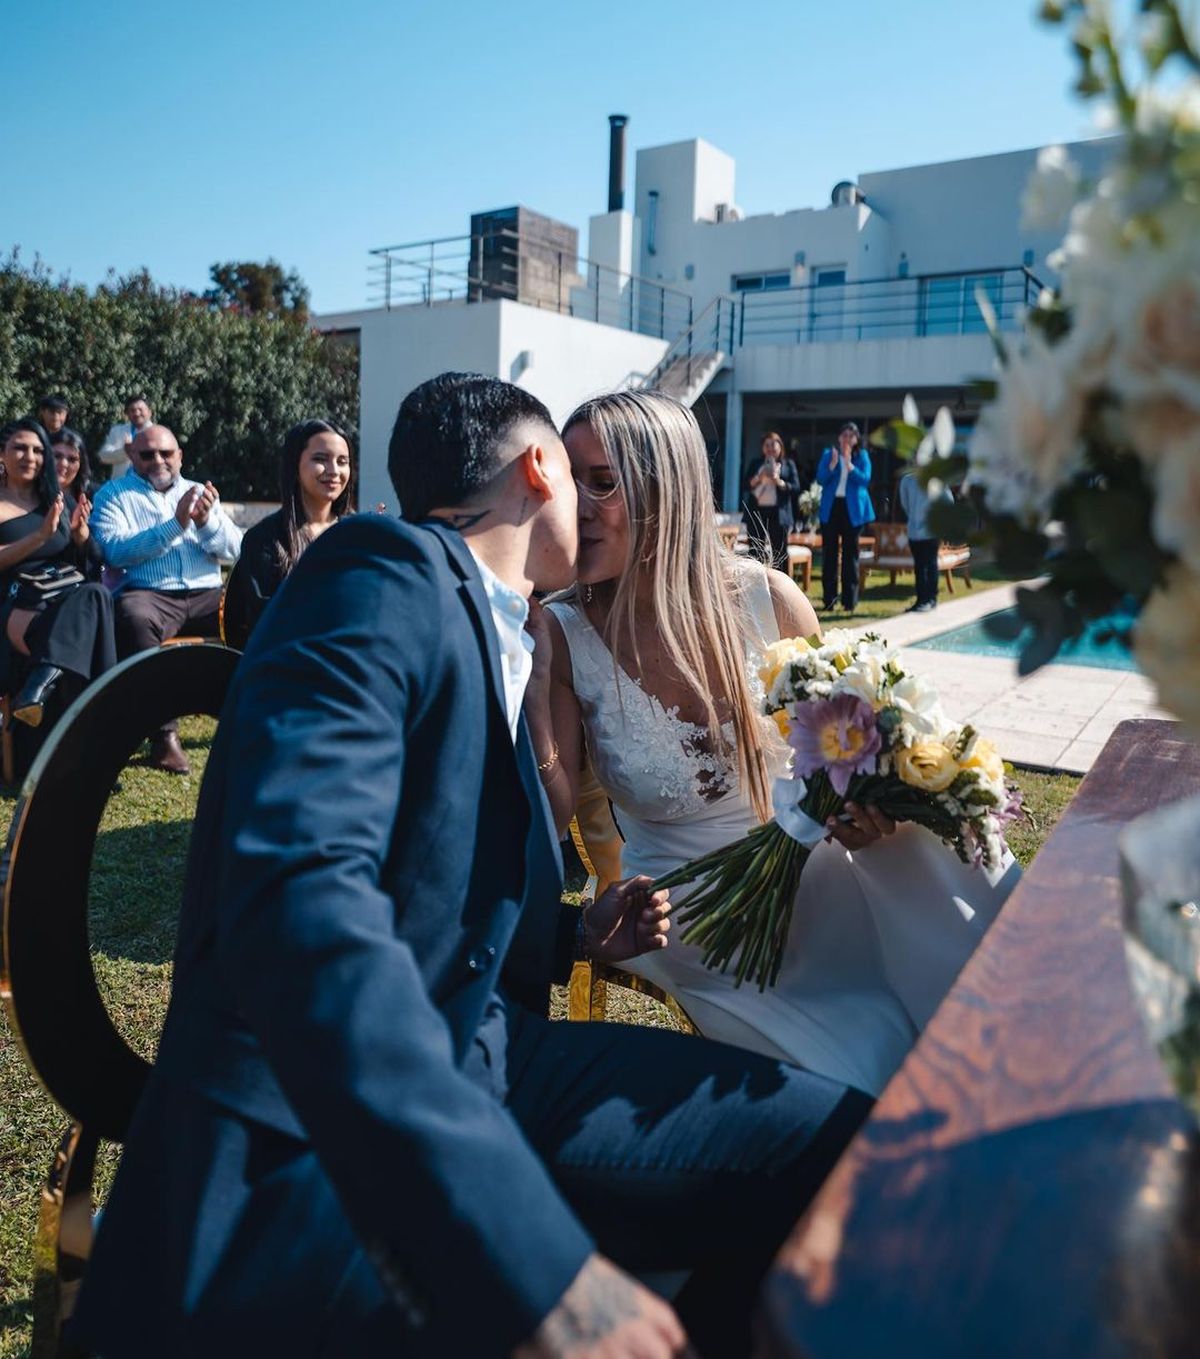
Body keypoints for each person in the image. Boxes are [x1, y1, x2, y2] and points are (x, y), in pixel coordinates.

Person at [73, 374, 870, 1359]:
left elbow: (430, 876)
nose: (596, 503)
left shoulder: (509, 627)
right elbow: (299, 902)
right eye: (580, 475)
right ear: (539, 469)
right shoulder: (378, 570)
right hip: (322, 1134)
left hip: (497, 1052)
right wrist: (539, 1266)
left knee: (848, 1147)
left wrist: (574, 932)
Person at [529, 390, 1020, 1100]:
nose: (576, 505)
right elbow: (551, 816)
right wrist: (536, 688)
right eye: (568, 481)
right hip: (687, 912)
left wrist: (866, 807)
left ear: (666, 492)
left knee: (950, 910)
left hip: (810, 862)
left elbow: (839, 760)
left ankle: (1032, 1035)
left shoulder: (769, 599)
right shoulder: (564, 633)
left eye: (601, 482)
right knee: (861, 1062)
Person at [90, 424, 242, 773]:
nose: (158, 460)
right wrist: (175, 524)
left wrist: (205, 523)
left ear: (180, 456)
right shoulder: (113, 495)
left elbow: (236, 549)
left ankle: (252, 712)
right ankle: (163, 737)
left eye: (166, 453)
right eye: (147, 454)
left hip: (206, 594)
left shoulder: (199, 491)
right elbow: (115, 551)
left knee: (253, 610)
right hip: (150, 595)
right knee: (133, 617)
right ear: (132, 456)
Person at [0, 419, 116, 728]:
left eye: (38, 450)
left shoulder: (55, 500)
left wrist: (79, 536)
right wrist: (39, 537)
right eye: (20, 448)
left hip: (64, 601)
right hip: (17, 603)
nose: (30, 457)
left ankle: (41, 683)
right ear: (1, 453)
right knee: (93, 610)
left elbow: (89, 565)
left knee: (95, 595)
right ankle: (105, 720)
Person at [222, 418, 354, 649]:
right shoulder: (264, 539)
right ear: (295, 465)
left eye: (342, 461)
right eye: (320, 459)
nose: (334, 471)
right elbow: (266, 622)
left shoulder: (358, 532)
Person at [816, 422, 874, 614]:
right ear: (839, 437)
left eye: (851, 435)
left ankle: (850, 601)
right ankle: (829, 600)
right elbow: (821, 479)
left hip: (852, 510)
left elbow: (865, 479)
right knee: (829, 556)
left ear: (856, 439)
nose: (847, 439)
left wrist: (850, 466)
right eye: (844, 435)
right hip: (832, 508)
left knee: (850, 556)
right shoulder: (829, 454)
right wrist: (833, 465)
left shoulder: (861, 456)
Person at [898, 468, 952, 614]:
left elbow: (948, 502)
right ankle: (921, 599)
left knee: (930, 564)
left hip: (932, 530)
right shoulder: (907, 481)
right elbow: (905, 503)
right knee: (919, 567)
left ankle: (931, 599)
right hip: (914, 531)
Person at [743, 432, 800, 569]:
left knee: (779, 553)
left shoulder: (788, 464)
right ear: (762, 448)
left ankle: (780, 581)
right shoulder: (756, 464)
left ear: (780, 446)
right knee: (755, 552)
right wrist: (759, 477)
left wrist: (779, 482)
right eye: (766, 445)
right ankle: (756, 581)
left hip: (779, 514)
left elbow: (796, 487)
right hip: (757, 513)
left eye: (773, 445)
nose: (770, 448)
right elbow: (745, 485)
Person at [96, 393, 154, 474]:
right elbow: (103, 456)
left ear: (149, 412)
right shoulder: (117, 431)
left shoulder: (157, 434)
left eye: (140, 409)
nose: (137, 413)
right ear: (127, 414)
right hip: (121, 481)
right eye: (132, 410)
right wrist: (125, 451)